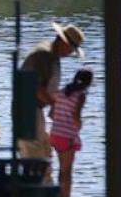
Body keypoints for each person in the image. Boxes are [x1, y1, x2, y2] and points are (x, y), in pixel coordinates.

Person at [18, 22, 85, 182]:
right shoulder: (44, 55)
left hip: (34, 109)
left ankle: (45, 192)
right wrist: (55, 105)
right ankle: (38, 196)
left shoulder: (51, 55)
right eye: (70, 49)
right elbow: (36, 87)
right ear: (62, 41)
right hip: (27, 109)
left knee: (44, 152)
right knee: (34, 155)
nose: (70, 53)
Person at [51, 69, 93, 197]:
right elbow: (76, 116)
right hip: (68, 135)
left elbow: (51, 113)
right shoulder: (81, 96)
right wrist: (79, 126)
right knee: (67, 171)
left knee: (62, 169)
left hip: (55, 133)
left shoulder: (62, 91)